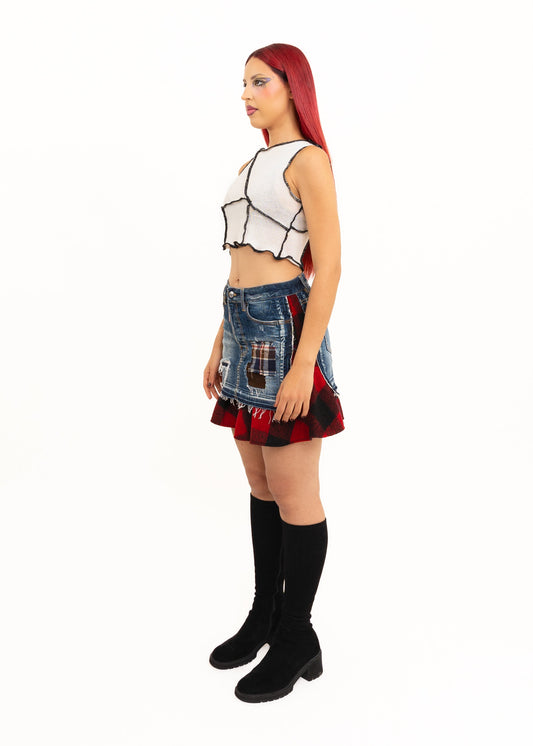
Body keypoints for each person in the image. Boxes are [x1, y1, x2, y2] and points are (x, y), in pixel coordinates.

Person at [203, 43, 345, 703]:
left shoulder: (307, 160)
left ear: (292, 86)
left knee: (294, 491)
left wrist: (304, 362)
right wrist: (219, 342)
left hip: (283, 330)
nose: (246, 94)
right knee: (261, 485)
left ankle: (296, 635)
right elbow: (237, 262)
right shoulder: (249, 164)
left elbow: (330, 266)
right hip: (241, 324)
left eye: (259, 81)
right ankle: (265, 615)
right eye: (243, 83)